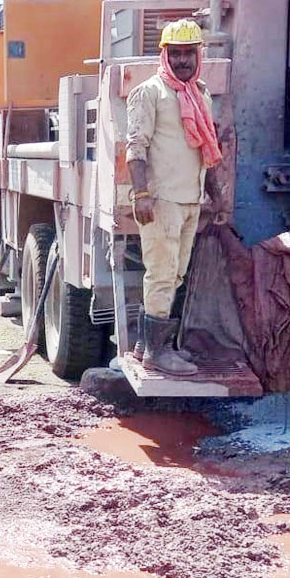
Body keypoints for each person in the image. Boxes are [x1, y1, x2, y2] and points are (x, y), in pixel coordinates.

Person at [125, 19, 225, 376]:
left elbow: (205, 149)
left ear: (199, 54)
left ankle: (146, 345)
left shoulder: (200, 94)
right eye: (176, 53)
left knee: (176, 274)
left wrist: (216, 196)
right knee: (162, 274)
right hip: (161, 199)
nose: (183, 60)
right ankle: (157, 352)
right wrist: (141, 194)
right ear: (164, 55)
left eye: (189, 53)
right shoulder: (150, 92)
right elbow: (136, 148)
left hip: (190, 200)